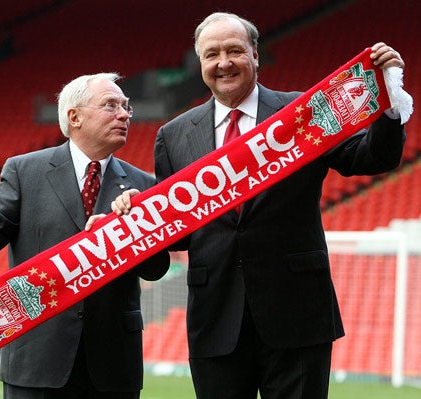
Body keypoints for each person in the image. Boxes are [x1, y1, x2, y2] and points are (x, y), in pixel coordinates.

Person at [110, 12, 407, 399]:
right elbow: (179, 231)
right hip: (214, 318)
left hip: (298, 314)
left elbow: (370, 158)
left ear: (254, 55)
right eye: (212, 54)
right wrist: (141, 212)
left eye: (235, 50)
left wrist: (389, 101)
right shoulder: (174, 135)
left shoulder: (302, 112)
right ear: (200, 64)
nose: (224, 63)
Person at [0, 72, 170, 399]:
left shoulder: (142, 186)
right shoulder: (25, 171)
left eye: (126, 107)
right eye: (111, 105)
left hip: (113, 366)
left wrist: (131, 231)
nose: (124, 115)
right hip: (36, 359)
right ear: (74, 116)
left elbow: (156, 269)